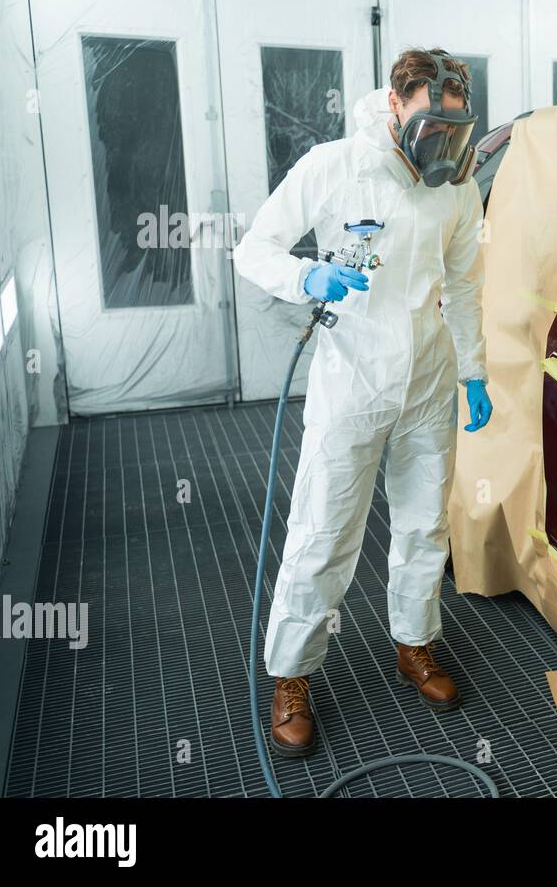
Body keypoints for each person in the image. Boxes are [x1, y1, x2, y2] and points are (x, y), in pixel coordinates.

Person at [234, 48, 493, 757]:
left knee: (422, 527)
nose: (443, 143)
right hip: (352, 378)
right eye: (430, 125)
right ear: (394, 102)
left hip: (428, 379)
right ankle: (291, 675)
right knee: (324, 531)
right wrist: (308, 278)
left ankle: (416, 643)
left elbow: (466, 285)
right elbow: (253, 250)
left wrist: (473, 371)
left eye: (454, 128)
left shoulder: (458, 186)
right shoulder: (334, 166)